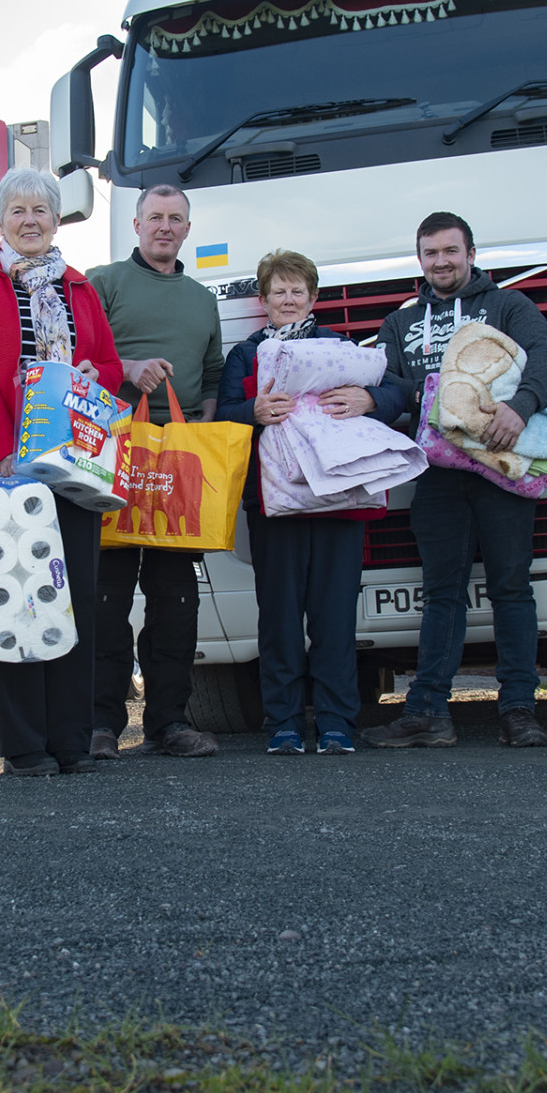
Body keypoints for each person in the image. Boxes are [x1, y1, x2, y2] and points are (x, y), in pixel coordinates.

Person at [361, 211, 547, 749]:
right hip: (436, 476)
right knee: (442, 592)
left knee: (511, 588)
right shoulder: (402, 323)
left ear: (471, 254)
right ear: (420, 260)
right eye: (431, 253)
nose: (441, 261)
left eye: (451, 251)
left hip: (501, 467)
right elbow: (390, 386)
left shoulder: (508, 306)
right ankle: (429, 712)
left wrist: (520, 407)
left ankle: (520, 709)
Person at [0, 167, 123, 775]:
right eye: (17, 210)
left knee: (70, 600)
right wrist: (5, 454)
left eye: (41, 211)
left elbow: (107, 360)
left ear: (56, 220)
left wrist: (92, 377)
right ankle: (24, 745)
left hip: (73, 462)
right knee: (16, 600)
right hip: (2, 467)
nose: (30, 220)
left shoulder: (81, 288)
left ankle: (72, 740)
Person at [217, 250, 406, 756]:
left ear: (313, 297)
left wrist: (370, 401)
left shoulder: (339, 349)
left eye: (297, 290)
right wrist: (252, 410)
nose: (288, 299)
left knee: (334, 613)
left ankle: (337, 721)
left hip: (339, 499)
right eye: (278, 291)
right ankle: (282, 721)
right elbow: (226, 416)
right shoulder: (245, 354)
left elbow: (394, 394)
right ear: (262, 300)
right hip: (273, 503)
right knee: (278, 615)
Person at [85, 184, 225, 759]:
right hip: (114, 453)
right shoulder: (105, 282)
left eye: (176, 219)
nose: (165, 227)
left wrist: (200, 430)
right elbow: (80, 358)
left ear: (188, 229)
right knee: (106, 597)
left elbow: (213, 375)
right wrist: (130, 367)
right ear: (137, 225)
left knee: (175, 600)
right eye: (155, 218)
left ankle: (169, 722)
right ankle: (99, 725)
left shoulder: (201, 298)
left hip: (180, 461)